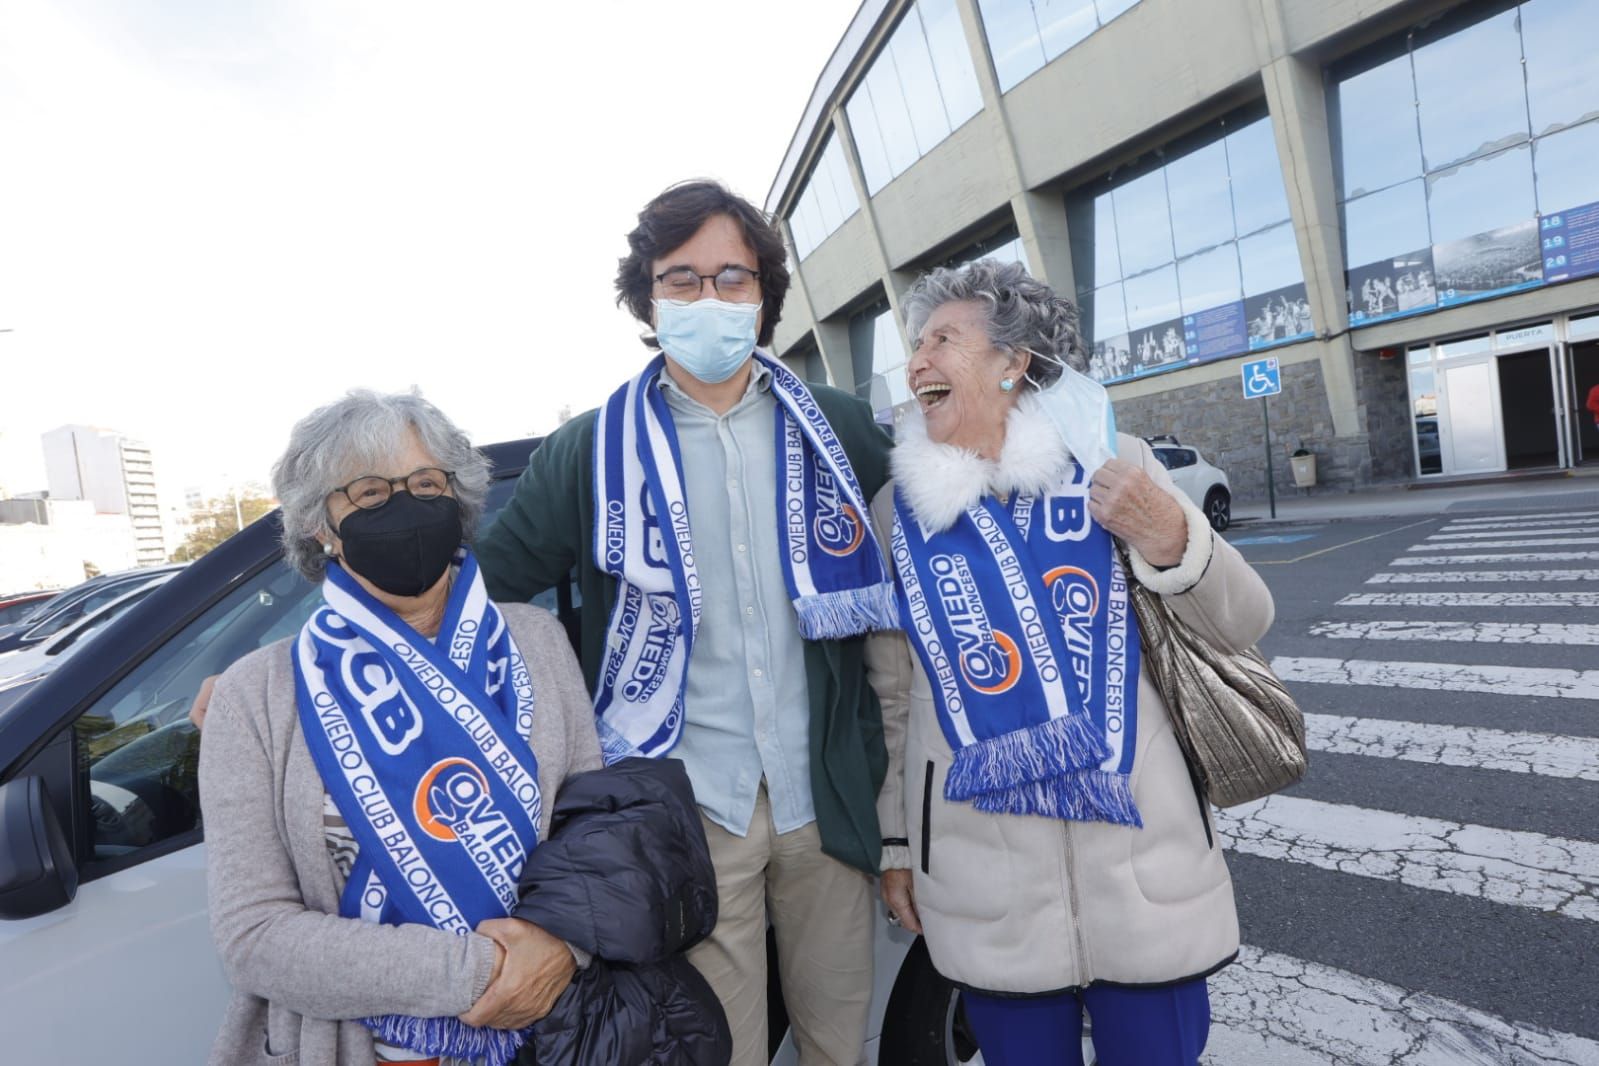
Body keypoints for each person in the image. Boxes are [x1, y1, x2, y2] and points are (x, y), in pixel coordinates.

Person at [473, 180, 897, 1066]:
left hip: (824, 795)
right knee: (714, 1049)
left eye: (732, 278)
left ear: (763, 294)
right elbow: (478, 598)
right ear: (648, 296)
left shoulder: (841, 431)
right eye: (683, 279)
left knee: (839, 1042)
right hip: (686, 808)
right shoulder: (590, 449)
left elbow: (948, 540)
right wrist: (285, 672)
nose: (709, 299)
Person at [198, 390, 727, 1066]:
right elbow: (254, 935)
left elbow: (599, 839)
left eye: (425, 484)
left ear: (459, 501)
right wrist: (487, 972)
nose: (405, 507)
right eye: (368, 493)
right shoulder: (258, 693)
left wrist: (561, 951)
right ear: (319, 525)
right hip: (366, 1045)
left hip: (556, 1030)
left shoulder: (535, 641)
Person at [867, 260, 1275, 1066]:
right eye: (914, 344)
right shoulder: (895, 514)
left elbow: (1243, 621)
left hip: (1146, 870)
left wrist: (1169, 534)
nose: (916, 362)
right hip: (983, 889)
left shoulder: (1113, 464)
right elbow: (894, 699)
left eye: (942, 339)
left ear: (1014, 361)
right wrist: (896, 845)